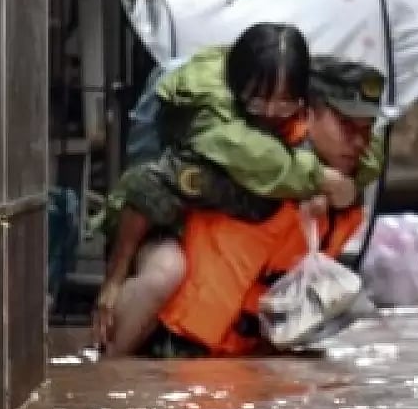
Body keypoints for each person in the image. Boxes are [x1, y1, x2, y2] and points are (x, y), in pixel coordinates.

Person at [92, 24, 381, 354]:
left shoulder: (322, 167)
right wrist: (112, 284)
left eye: (284, 104)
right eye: (258, 103)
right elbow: (146, 188)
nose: (271, 114)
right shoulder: (229, 147)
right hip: (155, 232)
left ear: (301, 104)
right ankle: (105, 363)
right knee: (165, 272)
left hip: (236, 329)